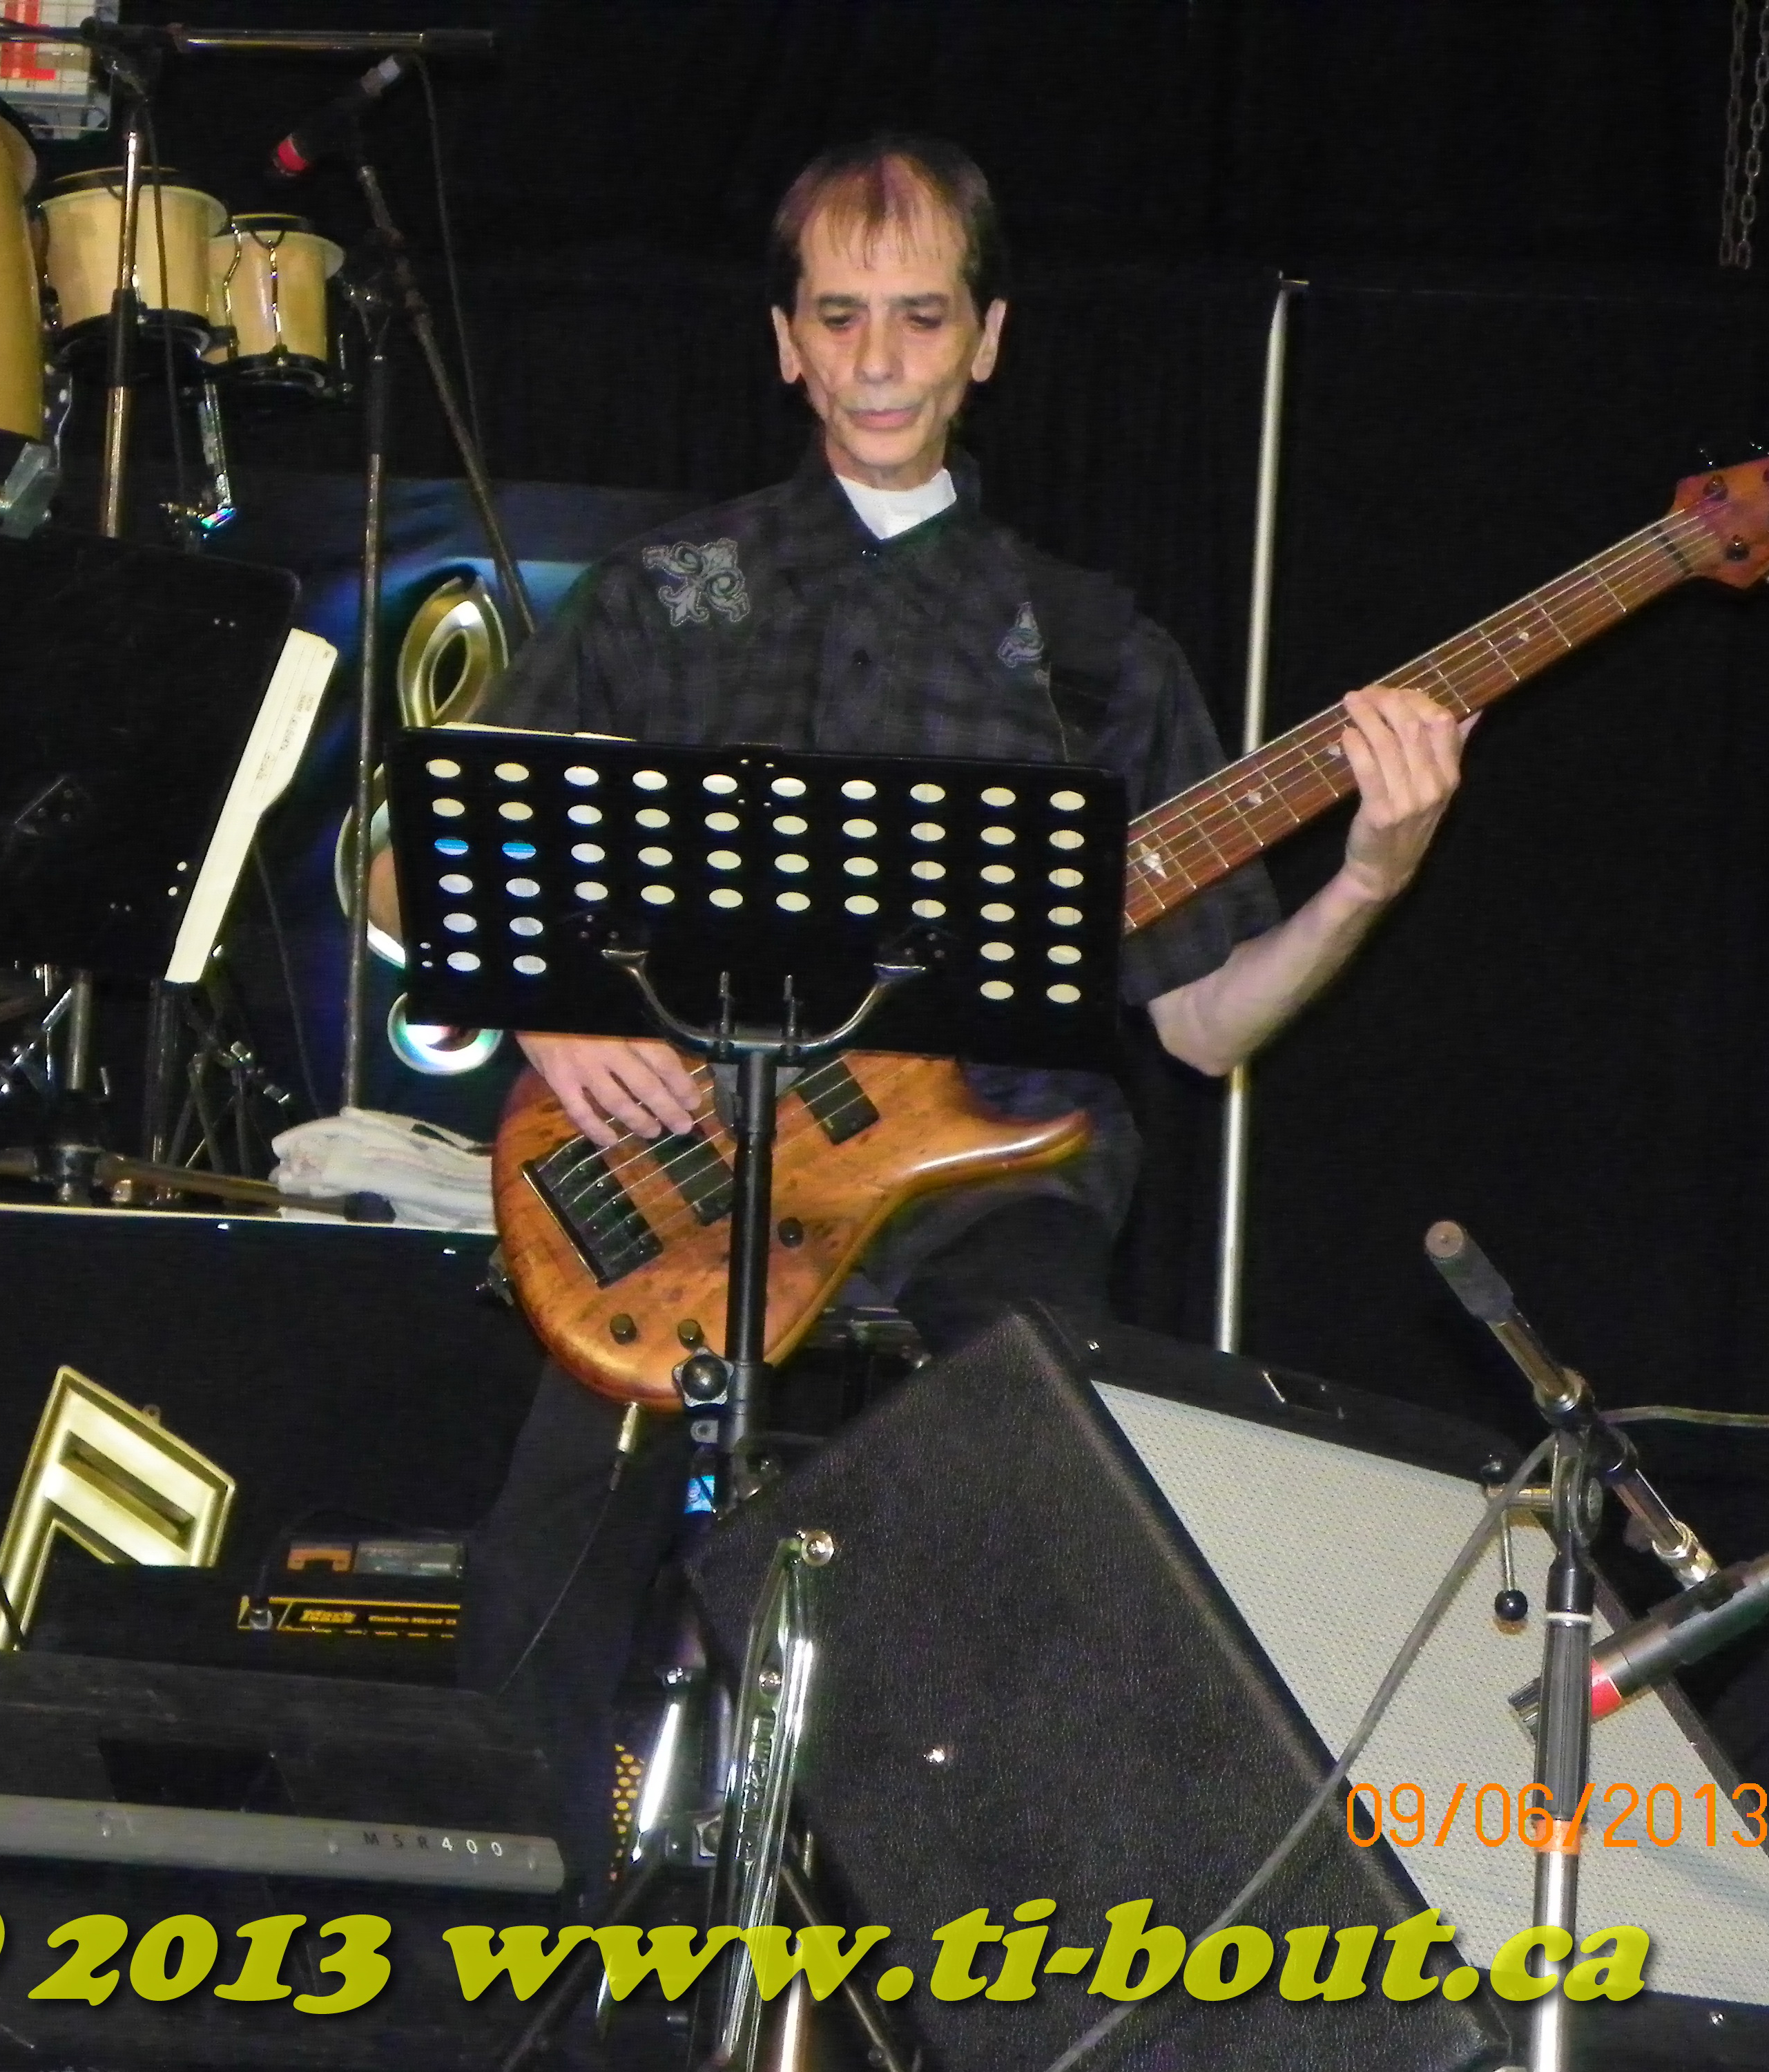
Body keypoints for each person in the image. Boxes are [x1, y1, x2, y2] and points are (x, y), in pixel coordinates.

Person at [391, 135, 1470, 1886]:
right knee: (537, 1571)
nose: (879, 358)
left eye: (919, 316)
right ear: (783, 344)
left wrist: (1367, 876)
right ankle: (523, 1966)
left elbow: (1203, 1026)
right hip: (687, 1184)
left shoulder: (1094, 652)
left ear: (986, 340)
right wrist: (546, 1009)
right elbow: (408, 868)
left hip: (992, 1198)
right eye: (839, 316)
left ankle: (971, 1966)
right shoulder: (665, 597)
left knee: (1028, 1538)